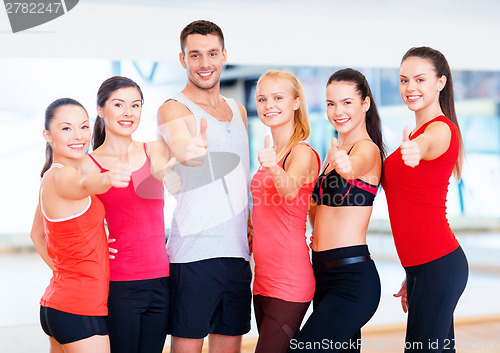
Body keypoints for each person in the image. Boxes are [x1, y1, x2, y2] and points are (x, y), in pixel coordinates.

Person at [157, 20, 251, 353]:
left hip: (238, 254)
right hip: (194, 256)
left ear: (224, 55)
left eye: (212, 53)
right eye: (195, 55)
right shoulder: (173, 107)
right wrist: (189, 151)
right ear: (183, 60)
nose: (205, 63)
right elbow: (180, 142)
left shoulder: (238, 110)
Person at [81, 76, 177, 353]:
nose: (128, 113)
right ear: (100, 109)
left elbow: (161, 171)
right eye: (119, 105)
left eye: (135, 105)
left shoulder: (154, 149)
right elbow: (67, 224)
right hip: (119, 282)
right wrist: (95, 248)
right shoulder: (88, 164)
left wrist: (170, 171)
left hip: (161, 278)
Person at [292, 69, 385, 353]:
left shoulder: (365, 150)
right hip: (324, 273)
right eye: (331, 103)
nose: (337, 111)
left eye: (347, 102)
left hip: (352, 278)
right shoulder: (335, 154)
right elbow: (318, 206)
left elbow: (354, 167)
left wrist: (344, 166)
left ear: (365, 104)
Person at [382, 46, 468, 353]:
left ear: (440, 83)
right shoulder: (419, 131)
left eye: (420, 79)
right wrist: (413, 273)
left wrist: (415, 151)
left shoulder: (439, 131)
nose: (410, 88)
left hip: (438, 263)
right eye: (404, 80)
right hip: (426, 267)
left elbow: (429, 145)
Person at [30, 98, 131, 353]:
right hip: (78, 309)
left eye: (84, 126)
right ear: (47, 135)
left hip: (59, 303)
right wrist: (109, 177)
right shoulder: (63, 176)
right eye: (66, 128)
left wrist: (73, 266)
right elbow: (83, 185)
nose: (78, 135)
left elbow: (37, 234)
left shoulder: (49, 176)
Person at [250, 70, 319, 353]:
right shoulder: (272, 153)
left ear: (296, 103)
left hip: (289, 280)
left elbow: (289, 191)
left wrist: (271, 167)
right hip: (262, 279)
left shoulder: (301, 152)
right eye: (263, 99)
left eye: (278, 97)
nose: (269, 105)